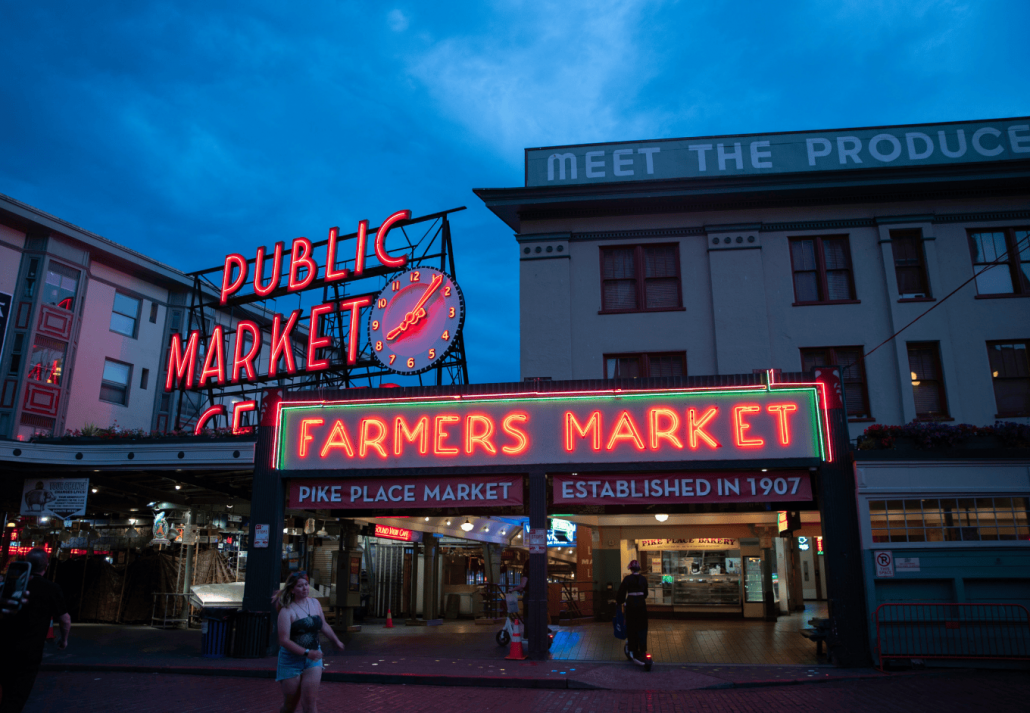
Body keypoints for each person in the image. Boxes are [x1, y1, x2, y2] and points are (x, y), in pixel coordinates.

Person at [0, 548, 71, 713]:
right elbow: (64, 618)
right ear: (45, 566)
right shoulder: (51, 588)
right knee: (18, 693)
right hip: (30, 649)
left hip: (5, 643)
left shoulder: (10, 585)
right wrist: (64, 639)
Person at [273, 571, 344, 713]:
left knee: (310, 704)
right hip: (291, 660)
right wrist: (306, 652)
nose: (305, 588)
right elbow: (284, 640)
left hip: (313, 659)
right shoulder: (287, 611)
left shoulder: (314, 603)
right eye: (300, 586)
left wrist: (335, 640)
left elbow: (323, 624)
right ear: (292, 590)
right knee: (290, 706)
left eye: (306, 584)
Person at [616, 559, 648, 661]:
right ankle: (643, 650)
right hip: (642, 606)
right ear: (639, 568)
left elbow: (621, 593)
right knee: (642, 628)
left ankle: (633, 650)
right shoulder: (643, 579)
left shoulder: (627, 579)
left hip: (631, 607)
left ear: (630, 569)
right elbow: (646, 594)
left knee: (632, 628)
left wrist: (619, 601)